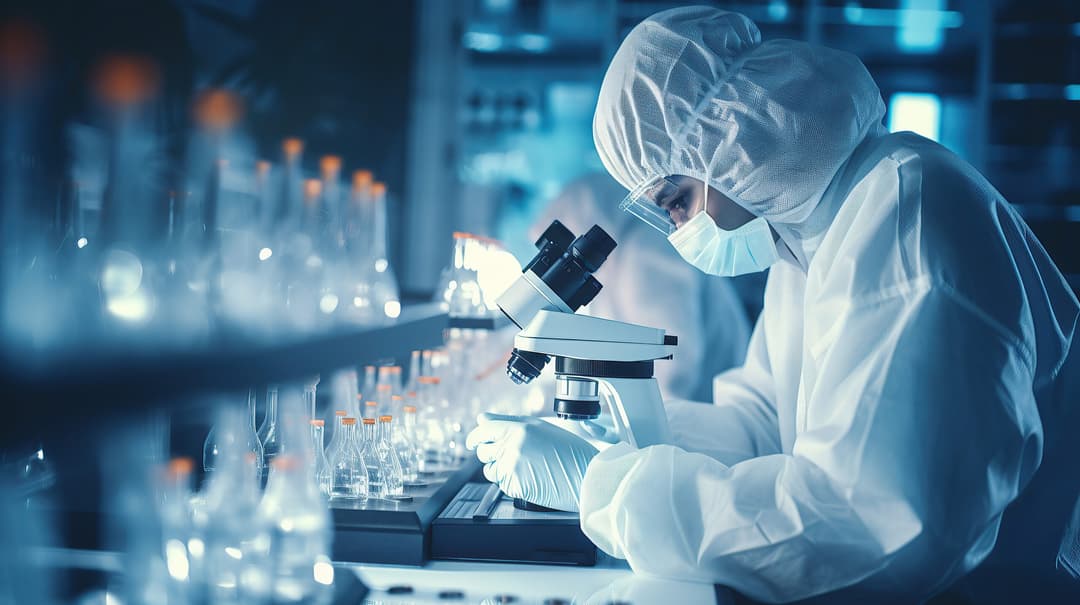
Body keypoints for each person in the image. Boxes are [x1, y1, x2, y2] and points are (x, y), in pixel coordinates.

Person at [467, 6, 1080, 603]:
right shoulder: (809, 238)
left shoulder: (902, 220)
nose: (678, 229)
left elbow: (869, 528)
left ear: (733, 137)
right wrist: (621, 432)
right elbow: (764, 426)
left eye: (677, 200)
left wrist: (603, 487)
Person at [529, 172, 753, 402]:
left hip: (712, 402)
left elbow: (669, 367)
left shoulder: (644, 252)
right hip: (698, 401)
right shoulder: (613, 270)